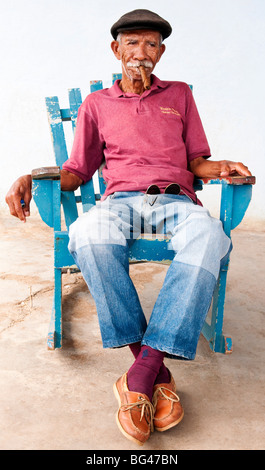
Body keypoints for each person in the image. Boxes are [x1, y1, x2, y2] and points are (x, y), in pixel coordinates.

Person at [6, 9, 251, 446]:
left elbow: (197, 161)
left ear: (161, 52)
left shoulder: (179, 96)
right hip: (119, 200)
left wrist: (221, 166)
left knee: (212, 236)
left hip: (176, 198)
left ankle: (139, 376)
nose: (142, 53)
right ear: (116, 50)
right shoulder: (96, 104)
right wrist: (32, 174)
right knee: (87, 234)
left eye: (152, 45)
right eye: (133, 44)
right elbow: (77, 171)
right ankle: (152, 366)